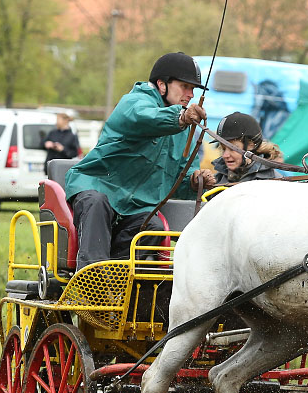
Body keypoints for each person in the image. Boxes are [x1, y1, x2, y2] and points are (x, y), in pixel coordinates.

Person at [63, 52, 206, 269]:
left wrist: (195, 182)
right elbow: (144, 117)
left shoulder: (184, 131)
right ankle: (89, 284)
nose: (190, 94)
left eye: (193, 89)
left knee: (154, 227)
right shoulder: (135, 101)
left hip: (135, 205)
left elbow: (178, 183)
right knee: (97, 203)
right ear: (162, 85)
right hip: (98, 185)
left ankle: (116, 283)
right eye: (185, 86)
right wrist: (179, 118)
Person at [191, 112, 281, 191]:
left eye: (232, 148)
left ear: (251, 145)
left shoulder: (275, 183)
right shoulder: (217, 180)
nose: (225, 155)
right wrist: (198, 187)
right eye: (223, 148)